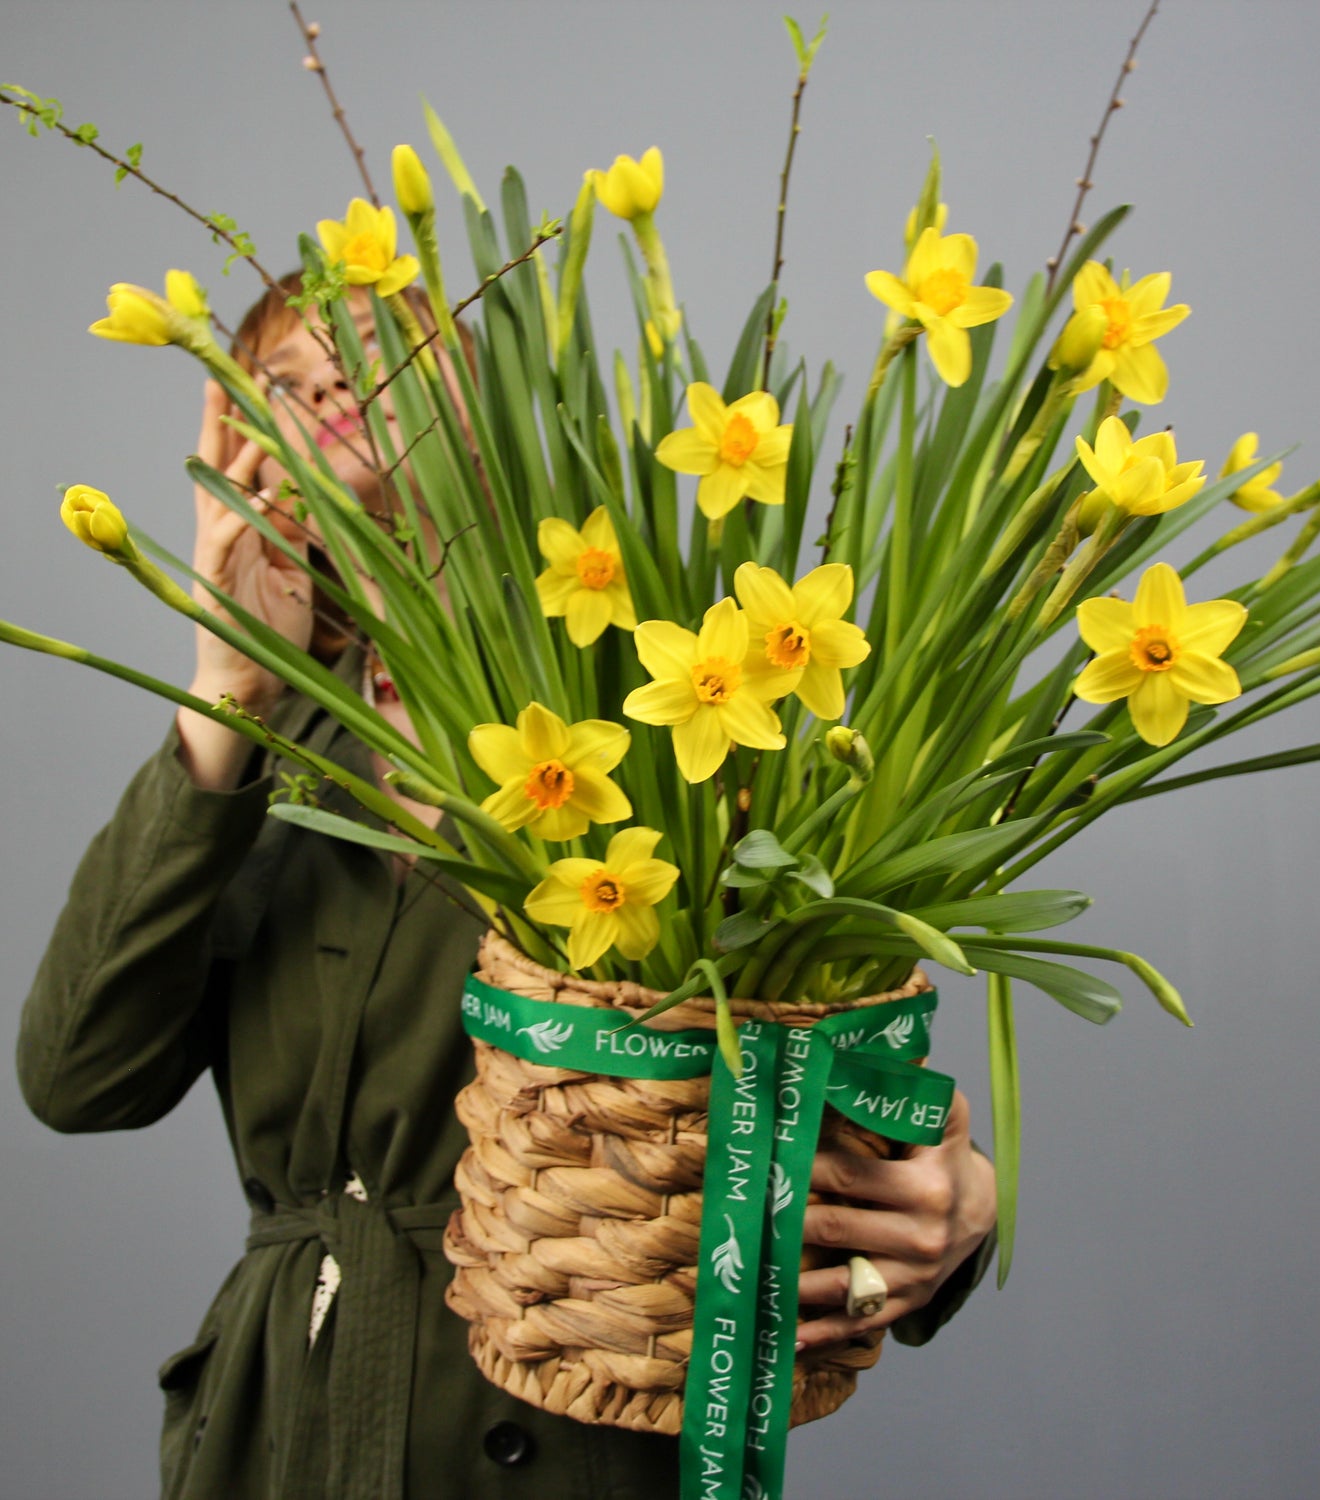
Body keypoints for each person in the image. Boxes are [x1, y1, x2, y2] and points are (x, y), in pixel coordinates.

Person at [18, 279, 997, 1500]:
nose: (336, 398)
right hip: (288, 1440)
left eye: (376, 362)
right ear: (239, 446)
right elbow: (76, 1079)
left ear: (499, 422)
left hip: (583, 1424)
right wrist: (226, 691)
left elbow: (816, 1031)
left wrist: (953, 1189)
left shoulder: (658, 711)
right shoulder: (262, 769)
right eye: (292, 385)